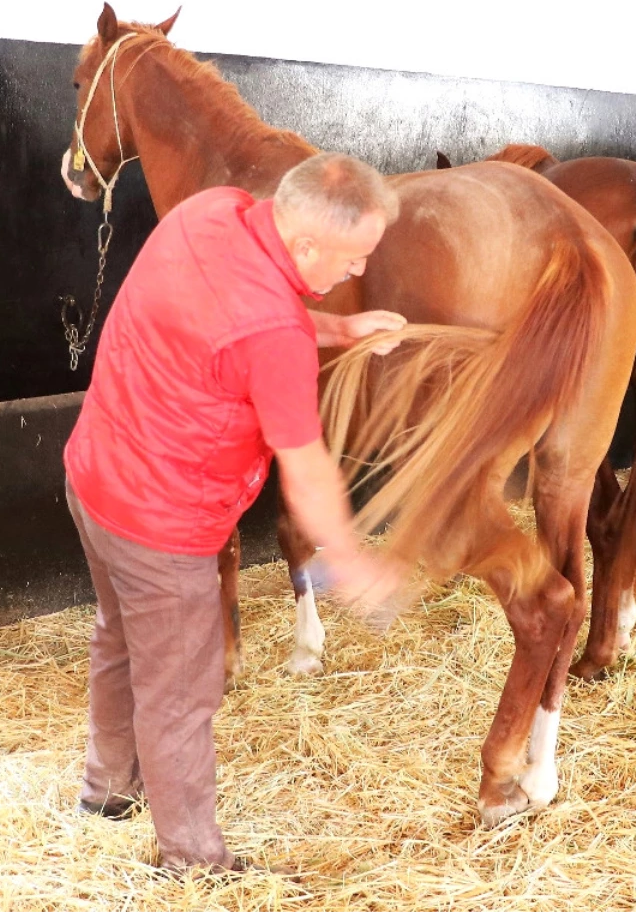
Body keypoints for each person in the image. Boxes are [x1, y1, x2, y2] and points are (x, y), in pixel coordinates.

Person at [64, 152, 407, 874]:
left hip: (94, 474)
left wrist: (341, 332)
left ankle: (106, 789)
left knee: (119, 637)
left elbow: (243, 312)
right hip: (163, 526)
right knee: (183, 692)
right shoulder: (274, 334)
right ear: (309, 244)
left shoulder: (210, 212)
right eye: (355, 258)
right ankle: (191, 860)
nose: (356, 272)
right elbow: (307, 470)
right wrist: (351, 558)